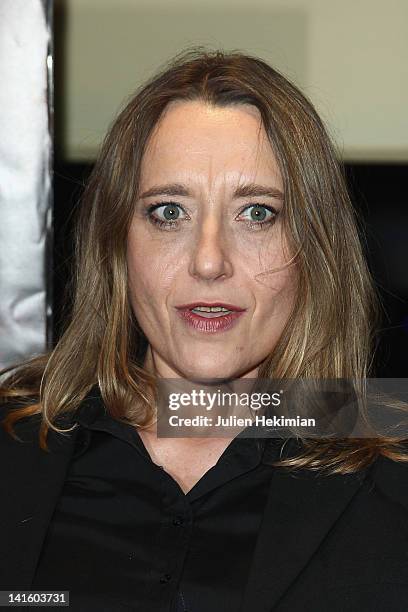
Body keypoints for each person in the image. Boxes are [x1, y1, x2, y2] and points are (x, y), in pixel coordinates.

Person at [1, 48, 407, 612]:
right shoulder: (15, 443)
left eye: (257, 213)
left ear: (315, 249)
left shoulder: (391, 469)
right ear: (117, 244)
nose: (209, 261)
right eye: (169, 211)